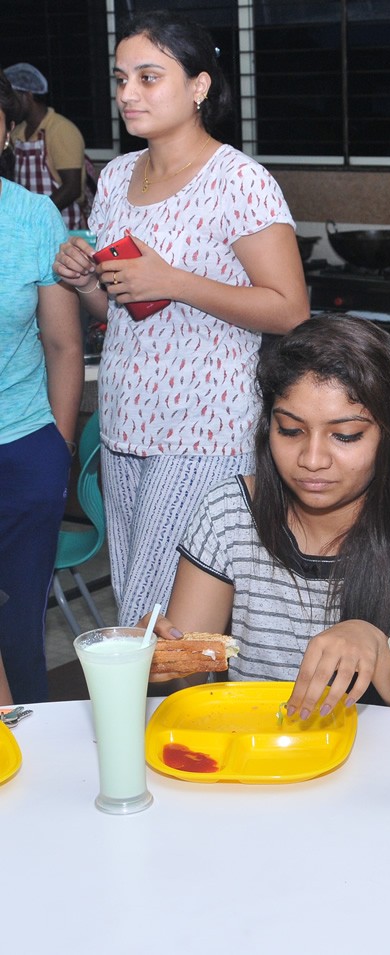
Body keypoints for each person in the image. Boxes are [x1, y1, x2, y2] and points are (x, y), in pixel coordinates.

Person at [53, 11, 310, 628]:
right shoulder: (114, 178)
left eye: (148, 77)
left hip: (206, 430)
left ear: (199, 86)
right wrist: (89, 282)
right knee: (148, 608)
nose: (127, 95)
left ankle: (152, 721)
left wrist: (175, 281)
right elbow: (118, 316)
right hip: (125, 423)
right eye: (121, 80)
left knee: (157, 620)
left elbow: (290, 309)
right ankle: (171, 721)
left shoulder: (240, 182)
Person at [147, 314, 390, 718]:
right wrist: (154, 663)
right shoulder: (228, 511)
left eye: (345, 436)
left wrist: (379, 648)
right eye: (290, 431)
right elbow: (186, 683)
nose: (311, 460)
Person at [0, 69, 83, 703]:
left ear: (5, 130)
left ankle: (22, 776)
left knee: (17, 629)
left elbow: (62, 344)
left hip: (22, 451)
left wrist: (56, 448)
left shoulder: (32, 218)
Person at [4, 62, 88, 229]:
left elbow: (72, 188)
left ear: (27, 96)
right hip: (28, 224)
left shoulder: (60, 129)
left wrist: (36, 215)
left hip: (62, 224)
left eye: (12, 98)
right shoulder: (17, 132)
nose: (9, 105)